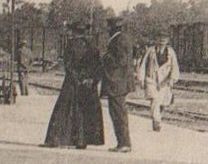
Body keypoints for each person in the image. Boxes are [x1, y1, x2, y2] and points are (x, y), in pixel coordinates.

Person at [43, 22, 103, 148]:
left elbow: (68, 65)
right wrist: (91, 80)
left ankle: (58, 139)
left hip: (73, 82)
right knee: (84, 111)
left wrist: (77, 79)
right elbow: (98, 66)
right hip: (88, 84)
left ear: (74, 32)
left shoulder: (71, 45)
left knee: (65, 110)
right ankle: (82, 141)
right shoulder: (93, 46)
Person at [101, 17, 134, 152]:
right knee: (118, 113)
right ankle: (122, 143)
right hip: (119, 82)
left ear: (113, 28)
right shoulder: (122, 38)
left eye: (109, 28)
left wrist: (105, 57)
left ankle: (124, 143)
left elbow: (121, 60)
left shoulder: (119, 40)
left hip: (117, 82)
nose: (108, 30)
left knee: (118, 113)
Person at [141, 34, 179, 132]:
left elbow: (174, 66)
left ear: (168, 40)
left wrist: (172, 79)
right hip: (151, 79)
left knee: (162, 103)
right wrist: (141, 78)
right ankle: (157, 121)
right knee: (154, 100)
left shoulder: (171, 52)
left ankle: (157, 117)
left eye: (165, 38)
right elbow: (143, 64)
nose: (162, 40)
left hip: (164, 81)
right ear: (156, 39)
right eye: (160, 38)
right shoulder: (150, 51)